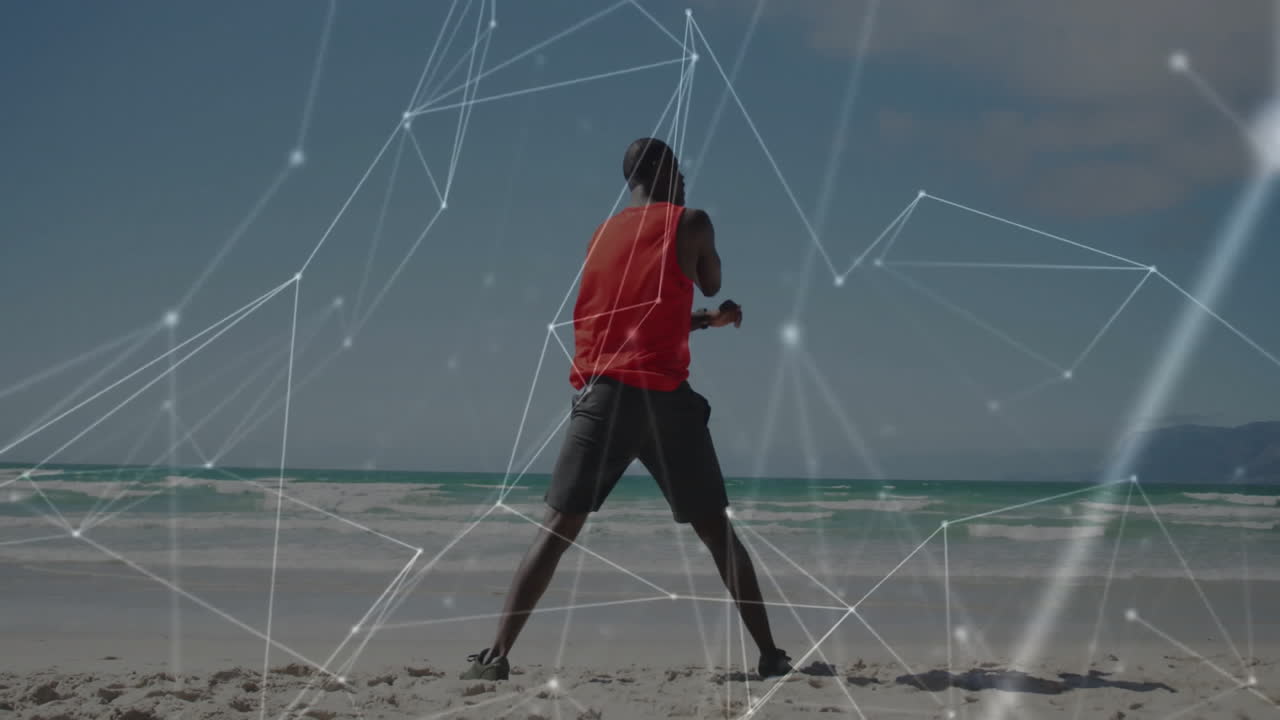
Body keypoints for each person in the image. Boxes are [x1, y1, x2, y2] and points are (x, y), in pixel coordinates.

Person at [461, 137, 792, 682]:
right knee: (716, 532)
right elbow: (710, 279)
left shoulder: (600, 235)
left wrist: (708, 321)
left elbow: (641, 319)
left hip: (605, 399)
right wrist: (712, 288)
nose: (685, 180)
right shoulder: (693, 221)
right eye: (679, 172)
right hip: (665, 405)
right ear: (660, 172)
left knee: (556, 527)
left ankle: (496, 655)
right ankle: (770, 655)